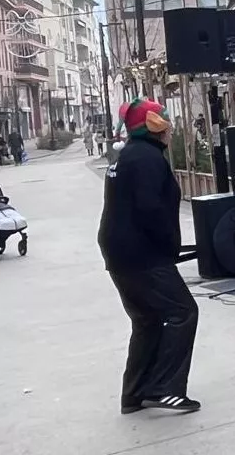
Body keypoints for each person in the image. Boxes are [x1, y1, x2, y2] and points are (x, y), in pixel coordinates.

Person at [98, 98, 199, 414]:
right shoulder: (147, 159)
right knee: (183, 312)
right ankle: (164, 388)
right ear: (156, 126)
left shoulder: (126, 155)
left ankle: (134, 393)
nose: (171, 129)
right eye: (167, 123)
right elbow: (149, 209)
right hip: (142, 255)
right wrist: (169, 245)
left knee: (148, 320)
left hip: (121, 253)